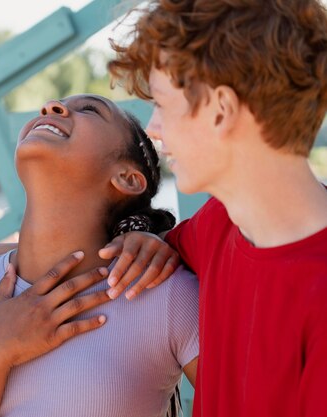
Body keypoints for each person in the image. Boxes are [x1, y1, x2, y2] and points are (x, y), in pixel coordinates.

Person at [0, 94, 199, 417]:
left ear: (127, 179)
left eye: (90, 110)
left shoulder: (166, 295)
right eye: (51, 105)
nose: (51, 108)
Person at [106, 0, 327, 415]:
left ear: (221, 110)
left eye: (162, 105)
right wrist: (146, 241)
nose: (152, 128)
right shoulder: (218, 224)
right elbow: (135, 255)